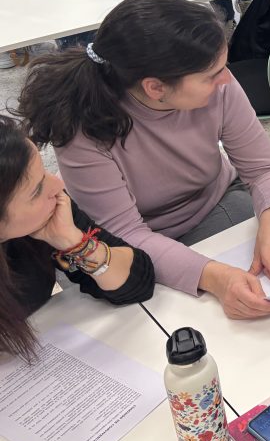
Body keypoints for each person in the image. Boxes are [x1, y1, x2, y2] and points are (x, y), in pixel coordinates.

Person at [17, 0, 270, 321]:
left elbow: (264, 168)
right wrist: (214, 277)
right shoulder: (83, 125)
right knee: (148, 321)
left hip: (214, 205)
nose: (226, 79)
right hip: (126, 247)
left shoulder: (216, 83)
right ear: (155, 88)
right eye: (211, 75)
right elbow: (126, 236)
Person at [0, 115, 154, 362]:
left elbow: (137, 282)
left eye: (44, 171)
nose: (56, 185)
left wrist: (74, 242)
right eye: (36, 190)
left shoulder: (48, 213)